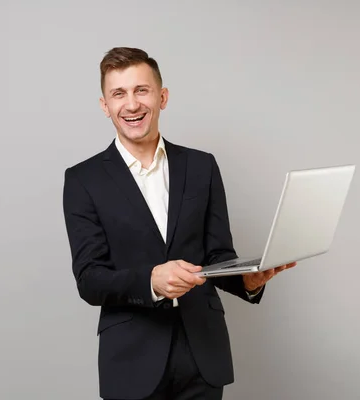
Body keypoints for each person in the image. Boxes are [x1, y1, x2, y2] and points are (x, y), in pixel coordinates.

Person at [62, 47, 297, 400]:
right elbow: (89, 279)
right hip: (131, 360)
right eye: (119, 94)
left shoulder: (202, 167)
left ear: (162, 96)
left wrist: (247, 281)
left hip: (203, 355)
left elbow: (218, 255)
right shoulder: (83, 180)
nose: (132, 104)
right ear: (105, 105)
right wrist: (151, 280)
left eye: (142, 90)